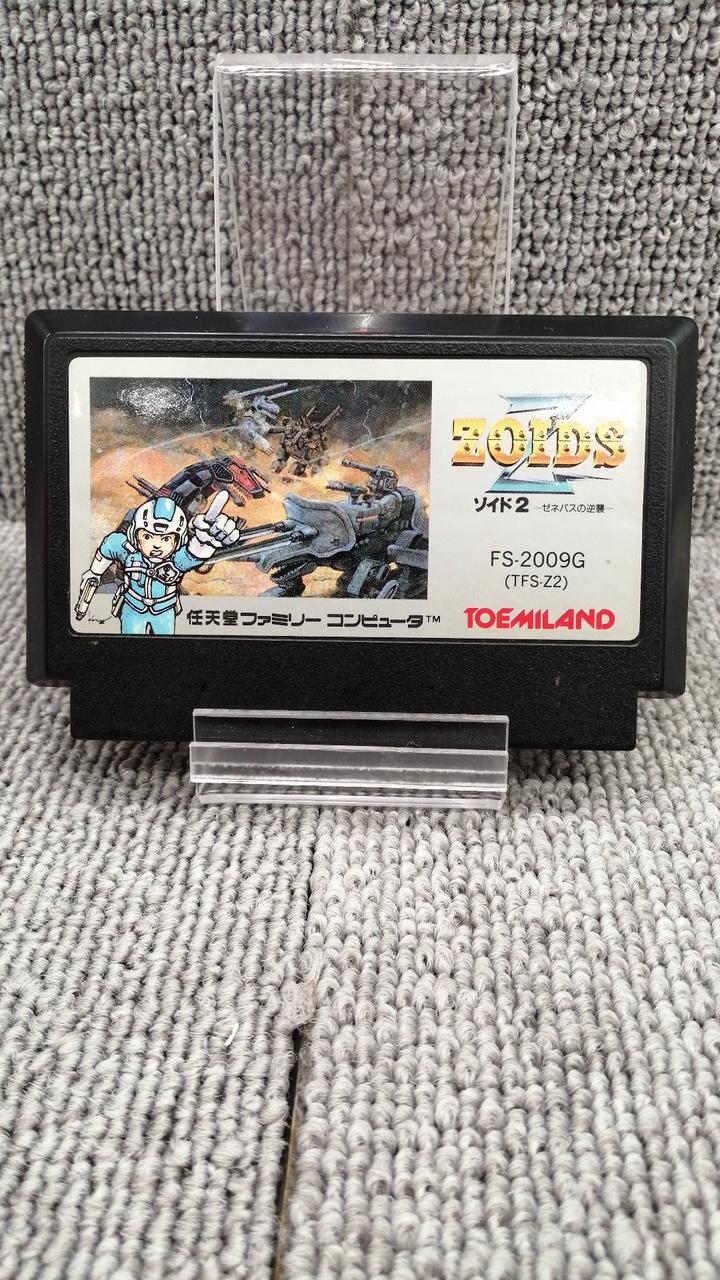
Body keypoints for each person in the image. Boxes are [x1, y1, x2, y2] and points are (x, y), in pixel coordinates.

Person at [74, 490, 240, 635]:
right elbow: (108, 547)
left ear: (177, 541)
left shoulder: (176, 560)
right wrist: (94, 572)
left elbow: (191, 555)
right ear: (136, 535)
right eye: (148, 536)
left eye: (166, 538)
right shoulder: (127, 551)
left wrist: (205, 543)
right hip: (132, 609)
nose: (157, 545)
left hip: (164, 612)